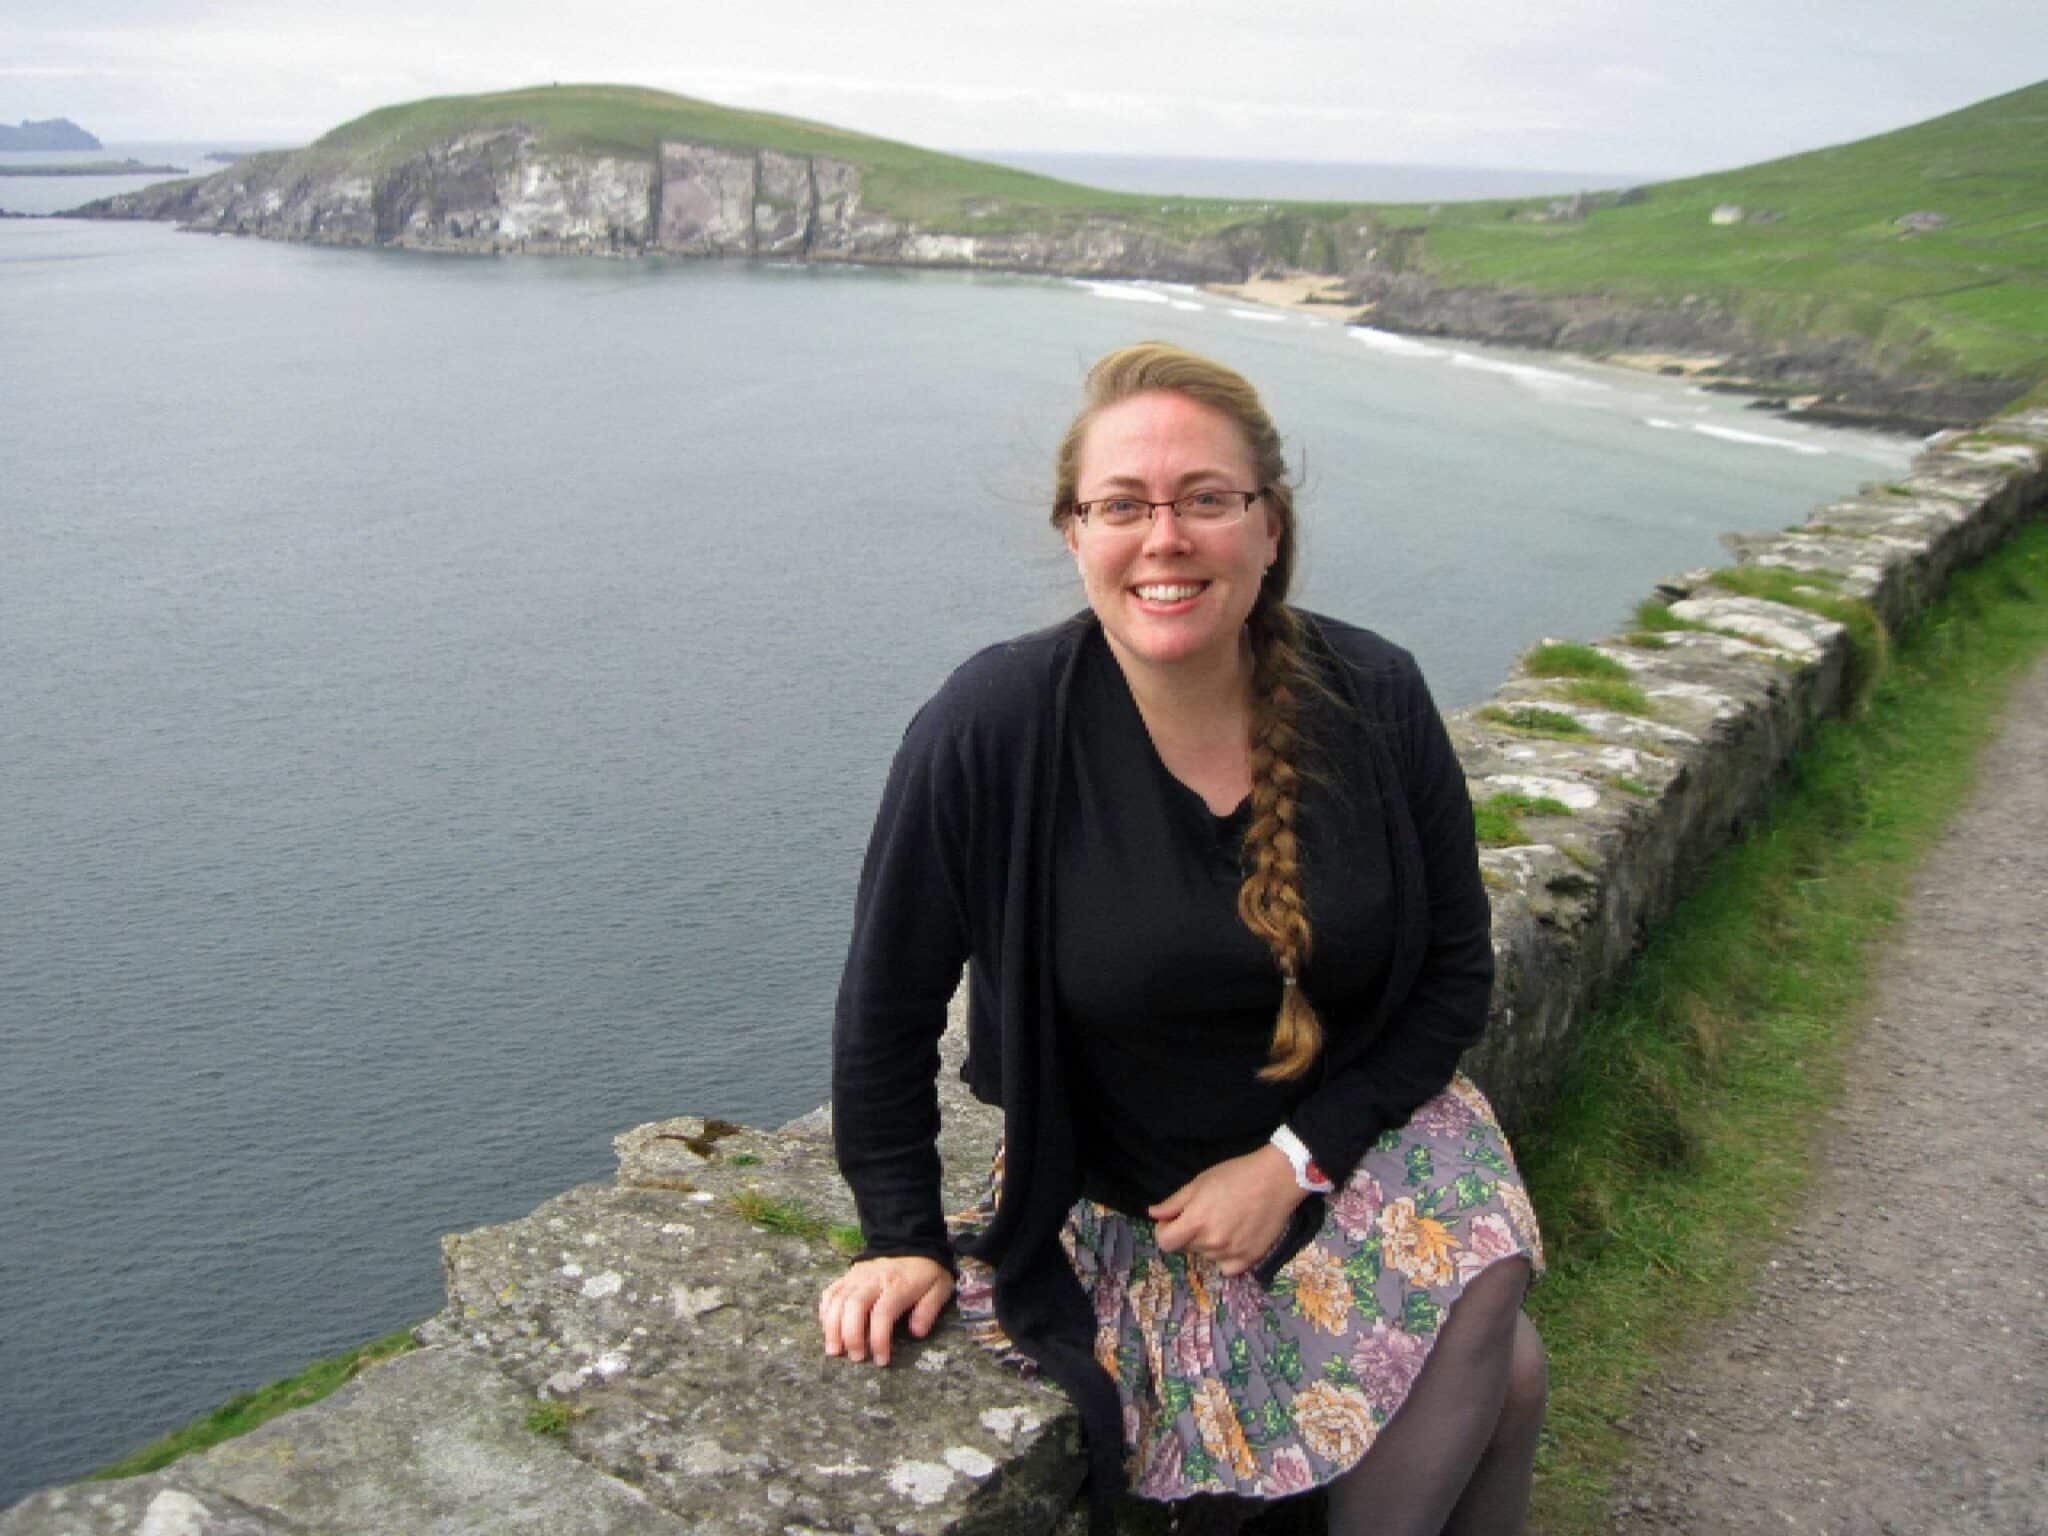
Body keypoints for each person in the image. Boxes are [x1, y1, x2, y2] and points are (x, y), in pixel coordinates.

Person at [820, 341, 1548, 1535]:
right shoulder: (990, 728)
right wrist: (899, 1235)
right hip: (1134, 1210)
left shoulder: (1374, 695)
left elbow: (1454, 973)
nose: (1164, 538)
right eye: (1123, 506)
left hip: (1352, 1151)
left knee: (1488, 1308)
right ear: (1075, 533)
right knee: (1506, 1378)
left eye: (1206, 500)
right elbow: (885, 1004)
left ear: (1268, 525)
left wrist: (1293, 1162)